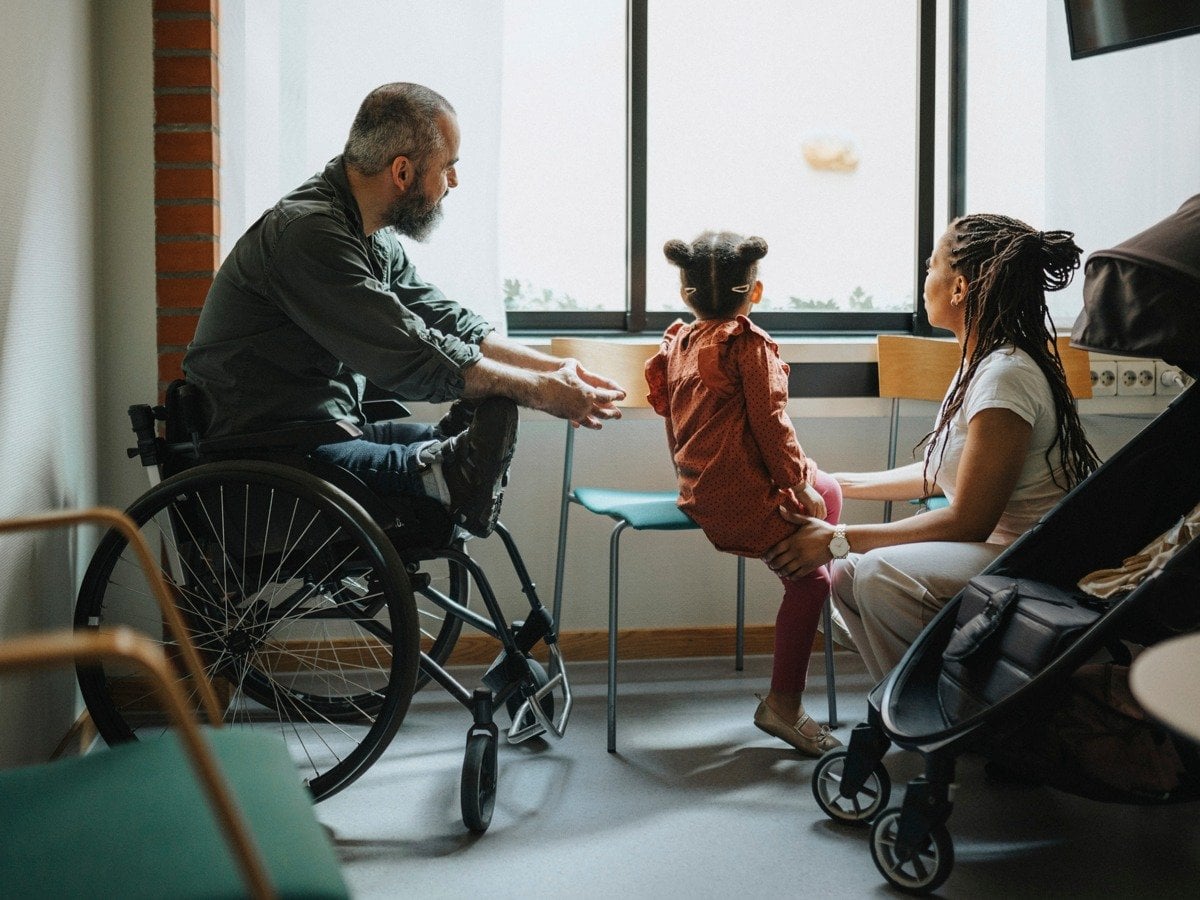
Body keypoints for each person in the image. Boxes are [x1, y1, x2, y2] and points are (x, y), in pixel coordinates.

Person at [183, 82, 624, 538]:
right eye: (448, 167)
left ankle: (449, 465)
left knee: (446, 440)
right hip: (266, 455)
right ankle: (446, 473)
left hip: (319, 430)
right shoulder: (309, 234)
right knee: (437, 464)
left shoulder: (367, 233)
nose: (454, 182)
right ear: (402, 171)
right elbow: (407, 349)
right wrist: (539, 392)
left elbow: (443, 318)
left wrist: (553, 369)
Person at [765, 213, 1100, 682]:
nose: (925, 280)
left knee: (876, 573)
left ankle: (946, 704)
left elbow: (968, 520)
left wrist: (838, 538)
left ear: (959, 287)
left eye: (931, 266)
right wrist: (831, 483)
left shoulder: (1005, 376)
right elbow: (938, 472)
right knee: (847, 573)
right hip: (996, 547)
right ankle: (905, 701)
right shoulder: (981, 364)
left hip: (1029, 557)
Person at [645, 231, 843, 756]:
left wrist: (807, 483)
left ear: (685, 294)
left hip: (701, 485)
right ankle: (784, 702)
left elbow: (676, 427)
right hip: (738, 493)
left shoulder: (679, 342)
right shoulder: (746, 344)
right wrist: (797, 483)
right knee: (811, 584)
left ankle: (811, 586)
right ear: (754, 292)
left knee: (829, 489)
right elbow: (771, 424)